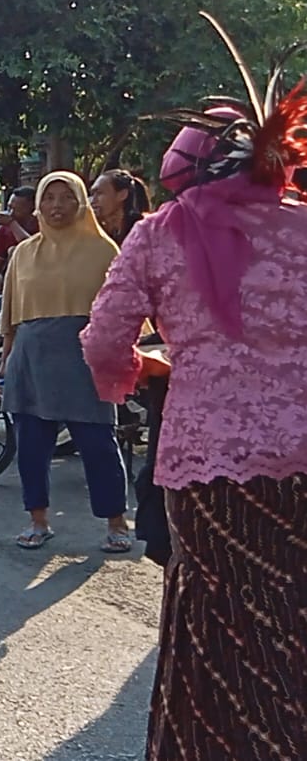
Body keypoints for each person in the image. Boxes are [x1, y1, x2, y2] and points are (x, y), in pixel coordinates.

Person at [80, 73, 307, 759]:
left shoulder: (158, 234)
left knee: (218, 625)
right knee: (291, 617)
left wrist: (134, 375)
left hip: (208, 468)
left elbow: (101, 341)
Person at [0, 171, 129, 552]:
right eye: (49, 197)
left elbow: (123, 309)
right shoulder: (24, 253)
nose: (57, 206)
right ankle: (38, 521)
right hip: (31, 358)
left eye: (66, 197)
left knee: (98, 444)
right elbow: (11, 314)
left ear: (80, 202)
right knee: (32, 446)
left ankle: (116, 523)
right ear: (38, 205)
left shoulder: (104, 251)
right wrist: (5, 363)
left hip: (86, 359)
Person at [87, 168, 150, 246]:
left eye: (99, 193)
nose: (92, 200)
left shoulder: (144, 230)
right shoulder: (102, 230)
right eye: (92, 194)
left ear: (122, 195)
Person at [0, 186, 37, 283]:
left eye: (16, 209)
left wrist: (12, 224)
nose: (10, 213)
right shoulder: (4, 230)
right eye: (9, 207)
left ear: (31, 208)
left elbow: (31, 248)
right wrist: (0, 290)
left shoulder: (43, 226)